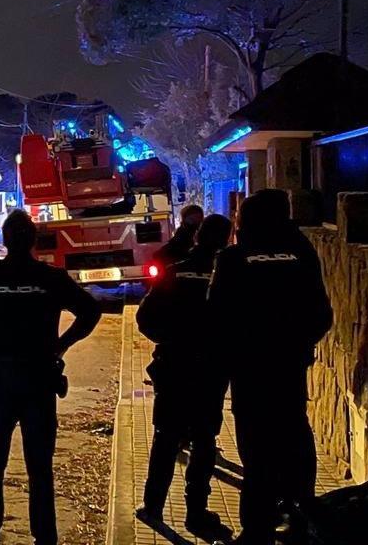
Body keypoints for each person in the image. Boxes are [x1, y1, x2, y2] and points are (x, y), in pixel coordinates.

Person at [0, 211, 102, 545]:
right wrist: (61, 346)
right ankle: (45, 536)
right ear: (34, 241)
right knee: (40, 468)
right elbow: (91, 311)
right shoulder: (50, 278)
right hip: (38, 382)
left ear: (5, 240)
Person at [209, 190, 332, 545]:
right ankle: (302, 514)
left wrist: (232, 354)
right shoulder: (303, 254)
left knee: (256, 447)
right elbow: (321, 314)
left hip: (249, 371)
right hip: (289, 367)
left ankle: (258, 527)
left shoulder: (233, 259)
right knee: (295, 434)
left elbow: (217, 316)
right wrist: (297, 344)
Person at [135, 214, 234, 539]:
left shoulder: (176, 271)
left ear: (196, 238)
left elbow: (145, 317)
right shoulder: (227, 277)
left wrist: (170, 340)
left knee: (165, 437)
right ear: (225, 241)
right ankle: (196, 512)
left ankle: (153, 506)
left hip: (174, 367)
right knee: (204, 440)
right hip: (210, 371)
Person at [152, 204, 206, 273]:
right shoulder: (183, 236)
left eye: (198, 219)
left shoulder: (196, 235)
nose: (195, 222)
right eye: (192, 219)